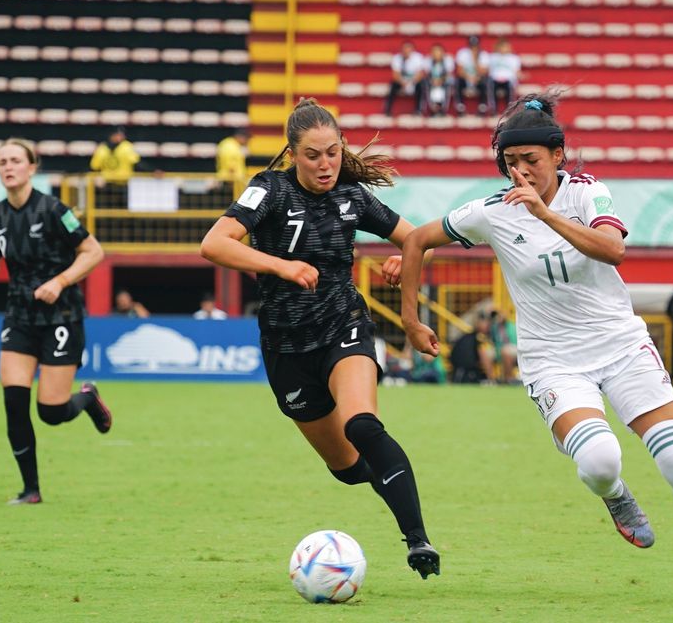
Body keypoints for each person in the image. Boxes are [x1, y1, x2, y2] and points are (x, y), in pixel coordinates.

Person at [399, 92, 673, 602]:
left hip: (620, 346)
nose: (521, 173)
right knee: (600, 462)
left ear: (558, 155)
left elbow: (614, 249)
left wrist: (544, 214)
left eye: (531, 161)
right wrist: (409, 319)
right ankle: (617, 497)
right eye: (511, 163)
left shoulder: (588, 193)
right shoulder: (491, 212)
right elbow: (416, 240)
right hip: (553, 361)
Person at [200, 98, 439, 579]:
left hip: (343, 323)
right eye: (313, 155)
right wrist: (280, 265)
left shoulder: (353, 196)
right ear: (292, 154)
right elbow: (214, 243)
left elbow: (420, 241)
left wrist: (406, 257)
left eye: (333, 152)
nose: (326, 163)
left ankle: (418, 540)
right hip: (285, 346)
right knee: (349, 467)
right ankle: (389, 479)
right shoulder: (267, 190)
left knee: (363, 425)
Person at [0, 138, 113, 505]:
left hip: (61, 315)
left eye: (15, 160)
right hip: (19, 316)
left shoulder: (54, 210)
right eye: (2, 161)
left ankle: (87, 398)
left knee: (51, 411)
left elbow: (93, 251)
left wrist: (60, 281)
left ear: (32, 167)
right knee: (14, 403)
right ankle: (30, 490)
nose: (8, 166)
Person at [89, 126, 141, 208]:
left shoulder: (126, 147)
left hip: (122, 183)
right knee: (105, 208)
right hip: (106, 185)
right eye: (118, 135)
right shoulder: (102, 148)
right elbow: (94, 166)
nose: (121, 137)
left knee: (122, 209)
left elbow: (137, 163)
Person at [449, 312, 495, 383]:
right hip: (468, 374)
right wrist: (491, 378)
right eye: (485, 322)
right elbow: (484, 356)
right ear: (478, 323)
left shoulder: (467, 336)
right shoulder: (479, 337)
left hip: (458, 372)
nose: (488, 325)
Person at [383, 40, 426, 116]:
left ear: (412, 50)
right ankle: (387, 109)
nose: (406, 51)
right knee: (393, 85)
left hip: (413, 80)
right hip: (402, 81)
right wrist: (402, 82)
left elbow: (420, 74)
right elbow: (395, 75)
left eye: (408, 49)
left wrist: (411, 82)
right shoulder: (397, 58)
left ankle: (418, 109)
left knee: (421, 85)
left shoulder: (418, 57)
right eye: (404, 49)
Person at [454, 35, 490, 116]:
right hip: (466, 78)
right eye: (472, 45)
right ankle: (460, 107)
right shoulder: (462, 53)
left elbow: (484, 72)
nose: (473, 48)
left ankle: (482, 107)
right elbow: (459, 71)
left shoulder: (484, 54)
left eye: (475, 45)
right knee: (457, 81)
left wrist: (475, 60)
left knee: (485, 81)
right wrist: (469, 78)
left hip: (478, 79)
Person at [487, 38, 521, 114]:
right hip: (495, 79)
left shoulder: (514, 58)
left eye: (505, 46)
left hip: (508, 80)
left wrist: (520, 76)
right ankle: (493, 109)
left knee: (510, 86)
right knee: (490, 84)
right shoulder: (492, 57)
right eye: (502, 46)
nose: (503, 49)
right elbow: (488, 70)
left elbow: (517, 72)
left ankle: (509, 108)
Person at [424, 43, 455, 117]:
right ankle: (433, 108)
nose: (436, 54)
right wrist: (433, 80)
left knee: (448, 83)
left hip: (443, 80)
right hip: (432, 81)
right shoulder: (427, 60)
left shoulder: (448, 60)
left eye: (438, 51)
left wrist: (440, 80)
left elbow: (449, 74)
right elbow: (426, 74)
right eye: (434, 52)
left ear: (443, 53)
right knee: (426, 84)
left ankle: (443, 109)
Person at [489, 309, 519, 383]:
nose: (498, 318)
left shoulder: (512, 326)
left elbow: (515, 342)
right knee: (484, 352)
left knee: (505, 351)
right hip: (499, 349)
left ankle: (509, 379)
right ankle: (492, 380)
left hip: (514, 348)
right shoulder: (494, 327)